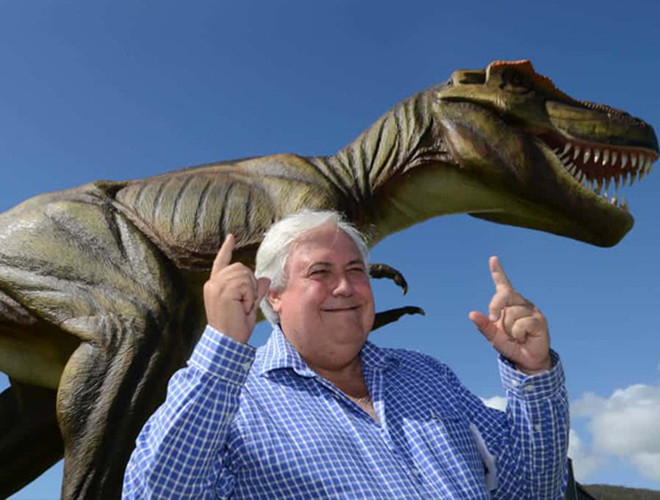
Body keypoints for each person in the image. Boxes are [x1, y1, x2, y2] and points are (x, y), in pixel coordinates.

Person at [123, 210, 569, 499]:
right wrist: (222, 346)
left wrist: (533, 372)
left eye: (356, 270)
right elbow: (157, 493)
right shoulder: (231, 399)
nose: (345, 286)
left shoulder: (427, 375)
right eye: (320, 272)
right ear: (272, 295)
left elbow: (532, 489)